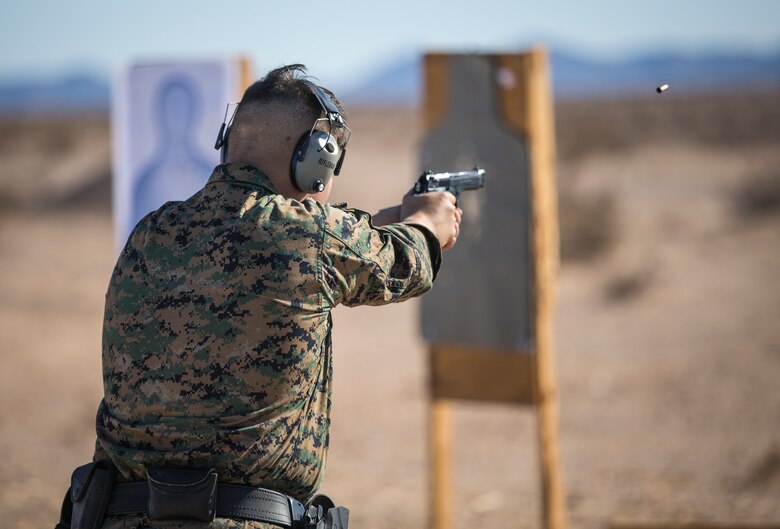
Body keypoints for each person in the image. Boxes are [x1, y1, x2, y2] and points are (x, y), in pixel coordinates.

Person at [57, 64, 462, 529]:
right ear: (315, 161)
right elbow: (406, 261)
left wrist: (390, 216)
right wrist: (429, 220)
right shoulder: (308, 236)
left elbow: (315, 234)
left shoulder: (150, 232)